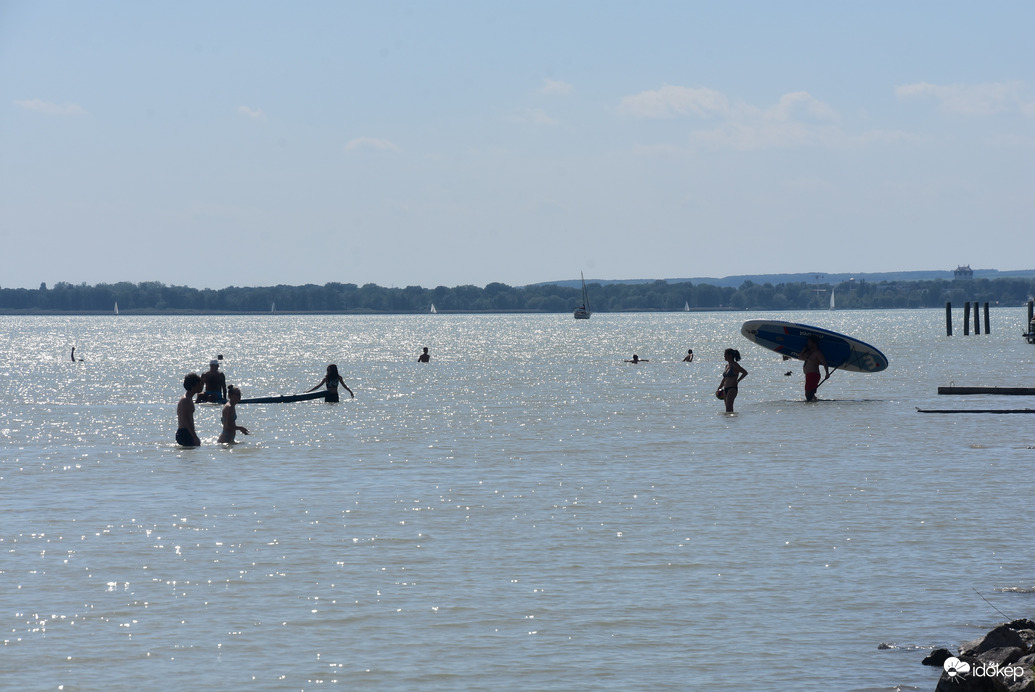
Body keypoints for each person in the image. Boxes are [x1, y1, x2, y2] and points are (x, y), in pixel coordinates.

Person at [798, 336, 830, 402]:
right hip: (809, 375)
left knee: (808, 394)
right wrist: (804, 349)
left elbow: (824, 362)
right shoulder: (809, 353)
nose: (808, 343)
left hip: (813, 374)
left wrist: (827, 373)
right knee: (810, 394)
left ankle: (811, 408)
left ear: (814, 343)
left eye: (809, 342)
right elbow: (800, 357)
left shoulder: (817, 353)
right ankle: (814, 404)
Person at [176, 373, 204, 446]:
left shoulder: (188, 398)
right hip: (185, 433)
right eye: (200, 383)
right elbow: (186, 420)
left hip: (186, 432)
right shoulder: (186, 400)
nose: (202, 386)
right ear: (194, 385)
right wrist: (195, 437)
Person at [717, 348, 748, 413]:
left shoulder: (735, 365)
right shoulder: (727, 366)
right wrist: (719, 387)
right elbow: (724, 378)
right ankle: (728, 421)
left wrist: (738, 380)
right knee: (727, 410)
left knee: (729, 408)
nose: (724, 356)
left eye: (725, 354)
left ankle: (732, 421)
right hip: (725, 389)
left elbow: (745, 372)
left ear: (730, 355)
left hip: (732, 388)